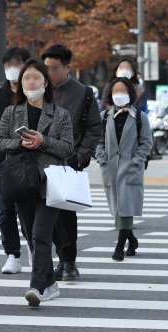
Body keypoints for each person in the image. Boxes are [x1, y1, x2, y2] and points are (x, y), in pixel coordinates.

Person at [0, 59, 73, 308]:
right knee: (31, 235)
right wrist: (20, 143)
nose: (30, 82)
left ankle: (37, 286)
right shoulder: (11, 112)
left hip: (50, 182)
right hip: (21, 182)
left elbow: (69, 148)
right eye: (26, 78)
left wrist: (44, 141)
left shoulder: (60, 114)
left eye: (36, 78)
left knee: (41, 234)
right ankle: (49, 283)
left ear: (45, 82)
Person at [42, 44, 101, 281]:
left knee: (65, 214)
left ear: (67, 67)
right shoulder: (38, 88)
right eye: (45, 67)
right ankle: (54, 259)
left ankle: (68, 261)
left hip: (68, 161)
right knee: (43, 213)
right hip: (39, 159)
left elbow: (94, 127)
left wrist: (82, 155)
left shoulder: (83, 93)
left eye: (53, 68)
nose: (48, 73)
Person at [0, 47, 31, 274]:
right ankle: (12, 254)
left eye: (17, 63)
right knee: (5, 212)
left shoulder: (34, 92)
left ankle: (34, 246)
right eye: (8, 64)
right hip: (2, 164)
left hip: (29, 163)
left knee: (28, 210)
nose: (13, 68)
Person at [95, 77, 152, 261]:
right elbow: (99, 141)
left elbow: (146, 143)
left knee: (125, 209)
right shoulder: (105, 116)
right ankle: (132, 240)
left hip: (130, 169)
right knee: (118, 208)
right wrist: (101, 158)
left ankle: (119, 247)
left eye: (123, 91)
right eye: (115, 91)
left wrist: (137, 161)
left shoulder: (140, 118)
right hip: (111, 169)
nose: (119, 94)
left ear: (130, 93)